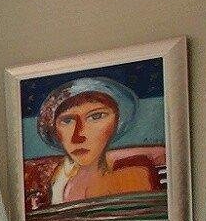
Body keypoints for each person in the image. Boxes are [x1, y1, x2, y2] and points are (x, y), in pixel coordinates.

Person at [28, 77, 156, 210]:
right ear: (55, 130)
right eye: (67, 121)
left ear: (116, 122)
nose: (78, 136)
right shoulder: (59, 179)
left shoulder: (133, 175)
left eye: (96, 116)